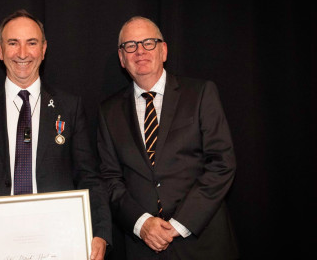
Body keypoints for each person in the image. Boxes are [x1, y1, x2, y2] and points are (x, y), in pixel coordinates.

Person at [0, 9, 111, 260]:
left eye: (31, 43)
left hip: (57, 242)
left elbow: (89, 177)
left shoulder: (70, 107)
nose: (22, 53)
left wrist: (100, 232)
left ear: (43, 49)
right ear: (0, 50)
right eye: (13, 43)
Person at [97, 16, 239, 259]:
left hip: (203, 243)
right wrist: (142, 224)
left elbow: (222, 164)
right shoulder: (108, 112)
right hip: (143, 248)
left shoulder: (201, 93)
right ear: (122, 58)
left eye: (148, 43)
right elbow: (110, 179)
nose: (140, 51)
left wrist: (180, 224)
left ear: (163, 50)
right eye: (130, 45)